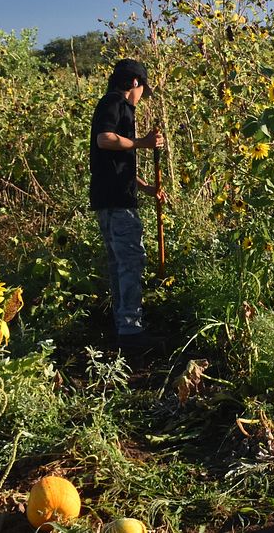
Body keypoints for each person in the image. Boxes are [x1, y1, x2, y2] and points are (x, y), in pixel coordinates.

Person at [90, 58, 167, 350]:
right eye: (142, 91)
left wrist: (146, 188)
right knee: (131, 262)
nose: (141, 98)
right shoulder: (114, 104)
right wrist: (142, 143)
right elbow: (105, 140)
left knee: (118, 264)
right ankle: (131, 332)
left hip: (109, 197)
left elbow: (115, 164)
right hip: (117, 203)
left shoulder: (114, 106)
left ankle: (123, 328)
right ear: (135, 83)